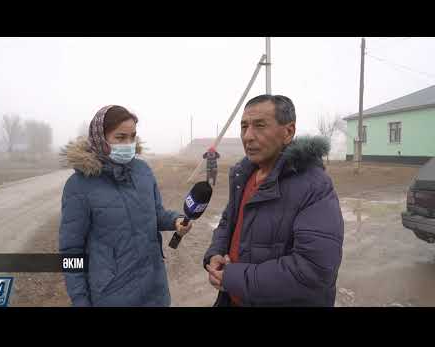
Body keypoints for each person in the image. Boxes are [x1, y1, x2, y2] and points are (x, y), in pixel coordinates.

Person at [203, 95, 344, 307]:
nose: (248, 136)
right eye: (244, 126)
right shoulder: (245, 176)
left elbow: (313, 270)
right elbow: (227, 222)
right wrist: (215, 253)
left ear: (288, 132)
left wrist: (233, 278)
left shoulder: (315, 187)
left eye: (260, 126)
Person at [59, 105, 192, 307]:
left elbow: (155, 213)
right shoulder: (79, 185)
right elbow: (71, 252)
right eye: (120, 138)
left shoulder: (143, 171)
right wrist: (80, 300)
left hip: (155, 289)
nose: (128, 144)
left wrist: (175, 220)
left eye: (132, 137)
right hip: (111, 295)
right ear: (100, 139)